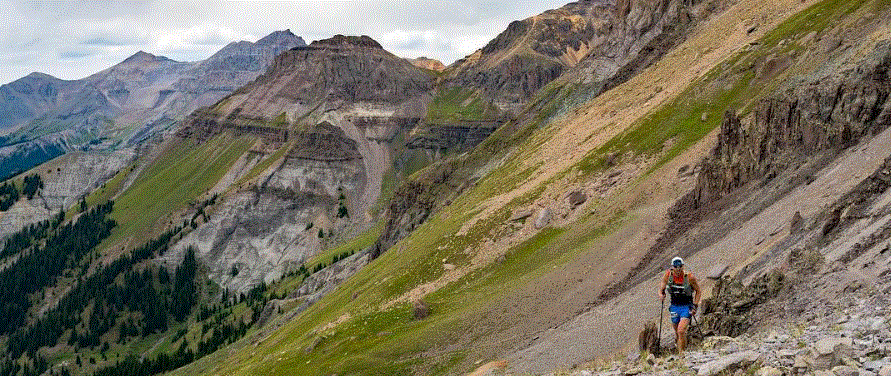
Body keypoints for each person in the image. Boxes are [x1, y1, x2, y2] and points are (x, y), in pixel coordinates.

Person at [658, 256, 701, 354]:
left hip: (686, 307)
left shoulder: (689, 277)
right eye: (676, 267)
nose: (678, 269)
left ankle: (682, 355)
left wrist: (695, 306)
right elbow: (662, 287)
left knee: (681, 331)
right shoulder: (668, 275)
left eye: (680, 267)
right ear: (672, 267)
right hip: (674, 307)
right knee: (677, 333)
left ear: (683, 266)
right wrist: (661, 294)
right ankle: (681, 351)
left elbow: (698, 291)